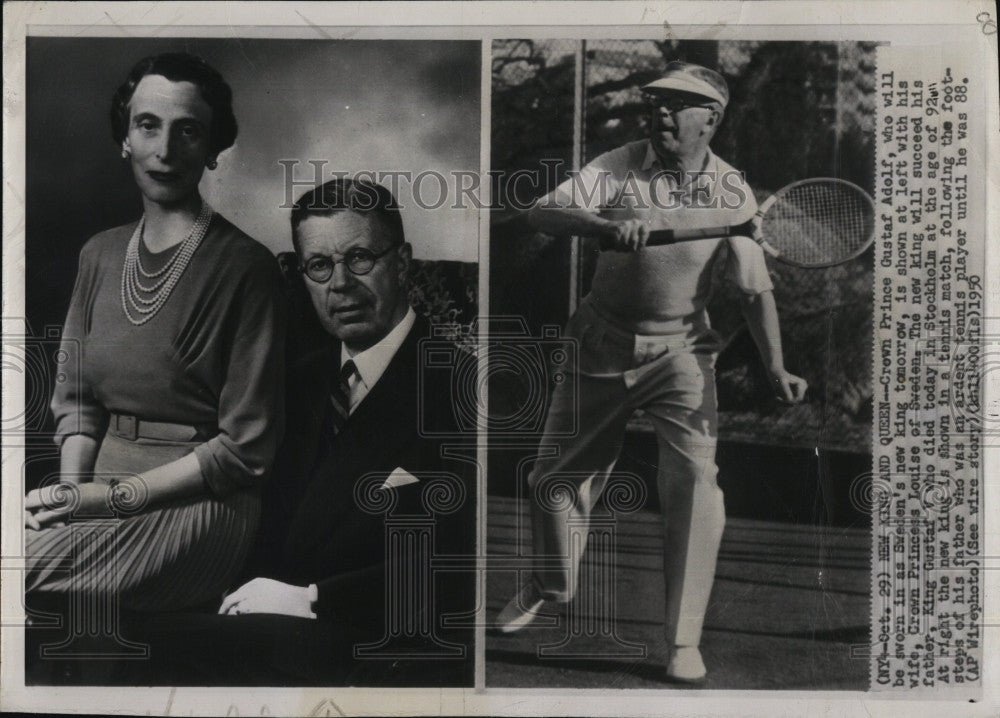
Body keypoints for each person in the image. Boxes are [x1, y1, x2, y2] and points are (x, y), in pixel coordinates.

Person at [496, 61, 808, 683]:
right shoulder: (617, 163)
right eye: (655, 101)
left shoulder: (734, 193)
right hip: (599, 343)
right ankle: (549, 582)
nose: (659, 111)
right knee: (553, 484)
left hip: (684, 354)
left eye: (676, 103)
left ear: (710, 119)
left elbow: (753, 292)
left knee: (697, 486)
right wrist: (603, 225)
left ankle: (682, 640)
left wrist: (776, 366)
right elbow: (543, 214)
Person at [136, 178, 475, 686]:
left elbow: (461, 563)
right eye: (320, 266)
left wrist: (311, 598)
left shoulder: (465, 389)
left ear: (402, 262)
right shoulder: (292, 383)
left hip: (377, 644)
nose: (340, 284)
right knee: (113, 628)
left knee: (146, 652)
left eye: (360, 258)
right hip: (262, 623)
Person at [24, 53, 286, 613]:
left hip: (198, 504)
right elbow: (77, 403)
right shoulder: (98, 253)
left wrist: (109, 499)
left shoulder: (247, 267)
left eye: (187, 131)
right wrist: (75, 495)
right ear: (125, 139)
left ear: (213, 149)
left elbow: (246, 450)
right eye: (148, 125)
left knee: (17, 572)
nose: (165, 150)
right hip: (97, 488)